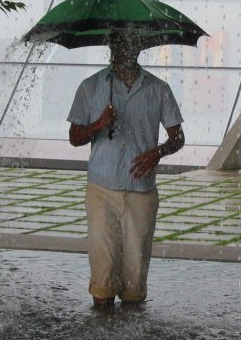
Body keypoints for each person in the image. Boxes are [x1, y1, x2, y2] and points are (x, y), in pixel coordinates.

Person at [67, 29, 185, 306]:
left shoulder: (158, 89)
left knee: (134, 281)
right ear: (111, 50)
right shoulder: (91, 87)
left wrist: (157, 153)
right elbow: (74, 138)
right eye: (119, 46)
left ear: (138, 50)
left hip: (141, 192)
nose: (124, 52)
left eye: (130, 46)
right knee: (103, 277)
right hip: (101, 190)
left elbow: (177, 138)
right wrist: (98, 124)